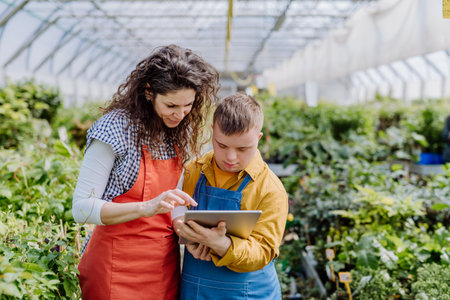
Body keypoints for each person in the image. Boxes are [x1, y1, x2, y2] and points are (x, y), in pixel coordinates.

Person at [71, 44, 220, 300]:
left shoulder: (177, 132)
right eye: (171, 105)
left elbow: (173, 201)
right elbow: (82, 209)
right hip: (114, 268)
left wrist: (186, 230)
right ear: (149, 92)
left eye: (188, 105)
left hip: (162, 267)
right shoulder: (115, 128)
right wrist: (146, 207)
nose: (181, 114)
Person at [174, 93, 288, 300]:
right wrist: (186, 234)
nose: (231, 157)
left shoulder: (271, 189)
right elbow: (174, 212)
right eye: (222, 145)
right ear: (212, 133)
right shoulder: (192, 171)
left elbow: (264, 251)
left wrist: (222, 244)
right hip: (196, 290)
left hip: (249, 292)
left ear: (259, 139)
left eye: (243, 148)